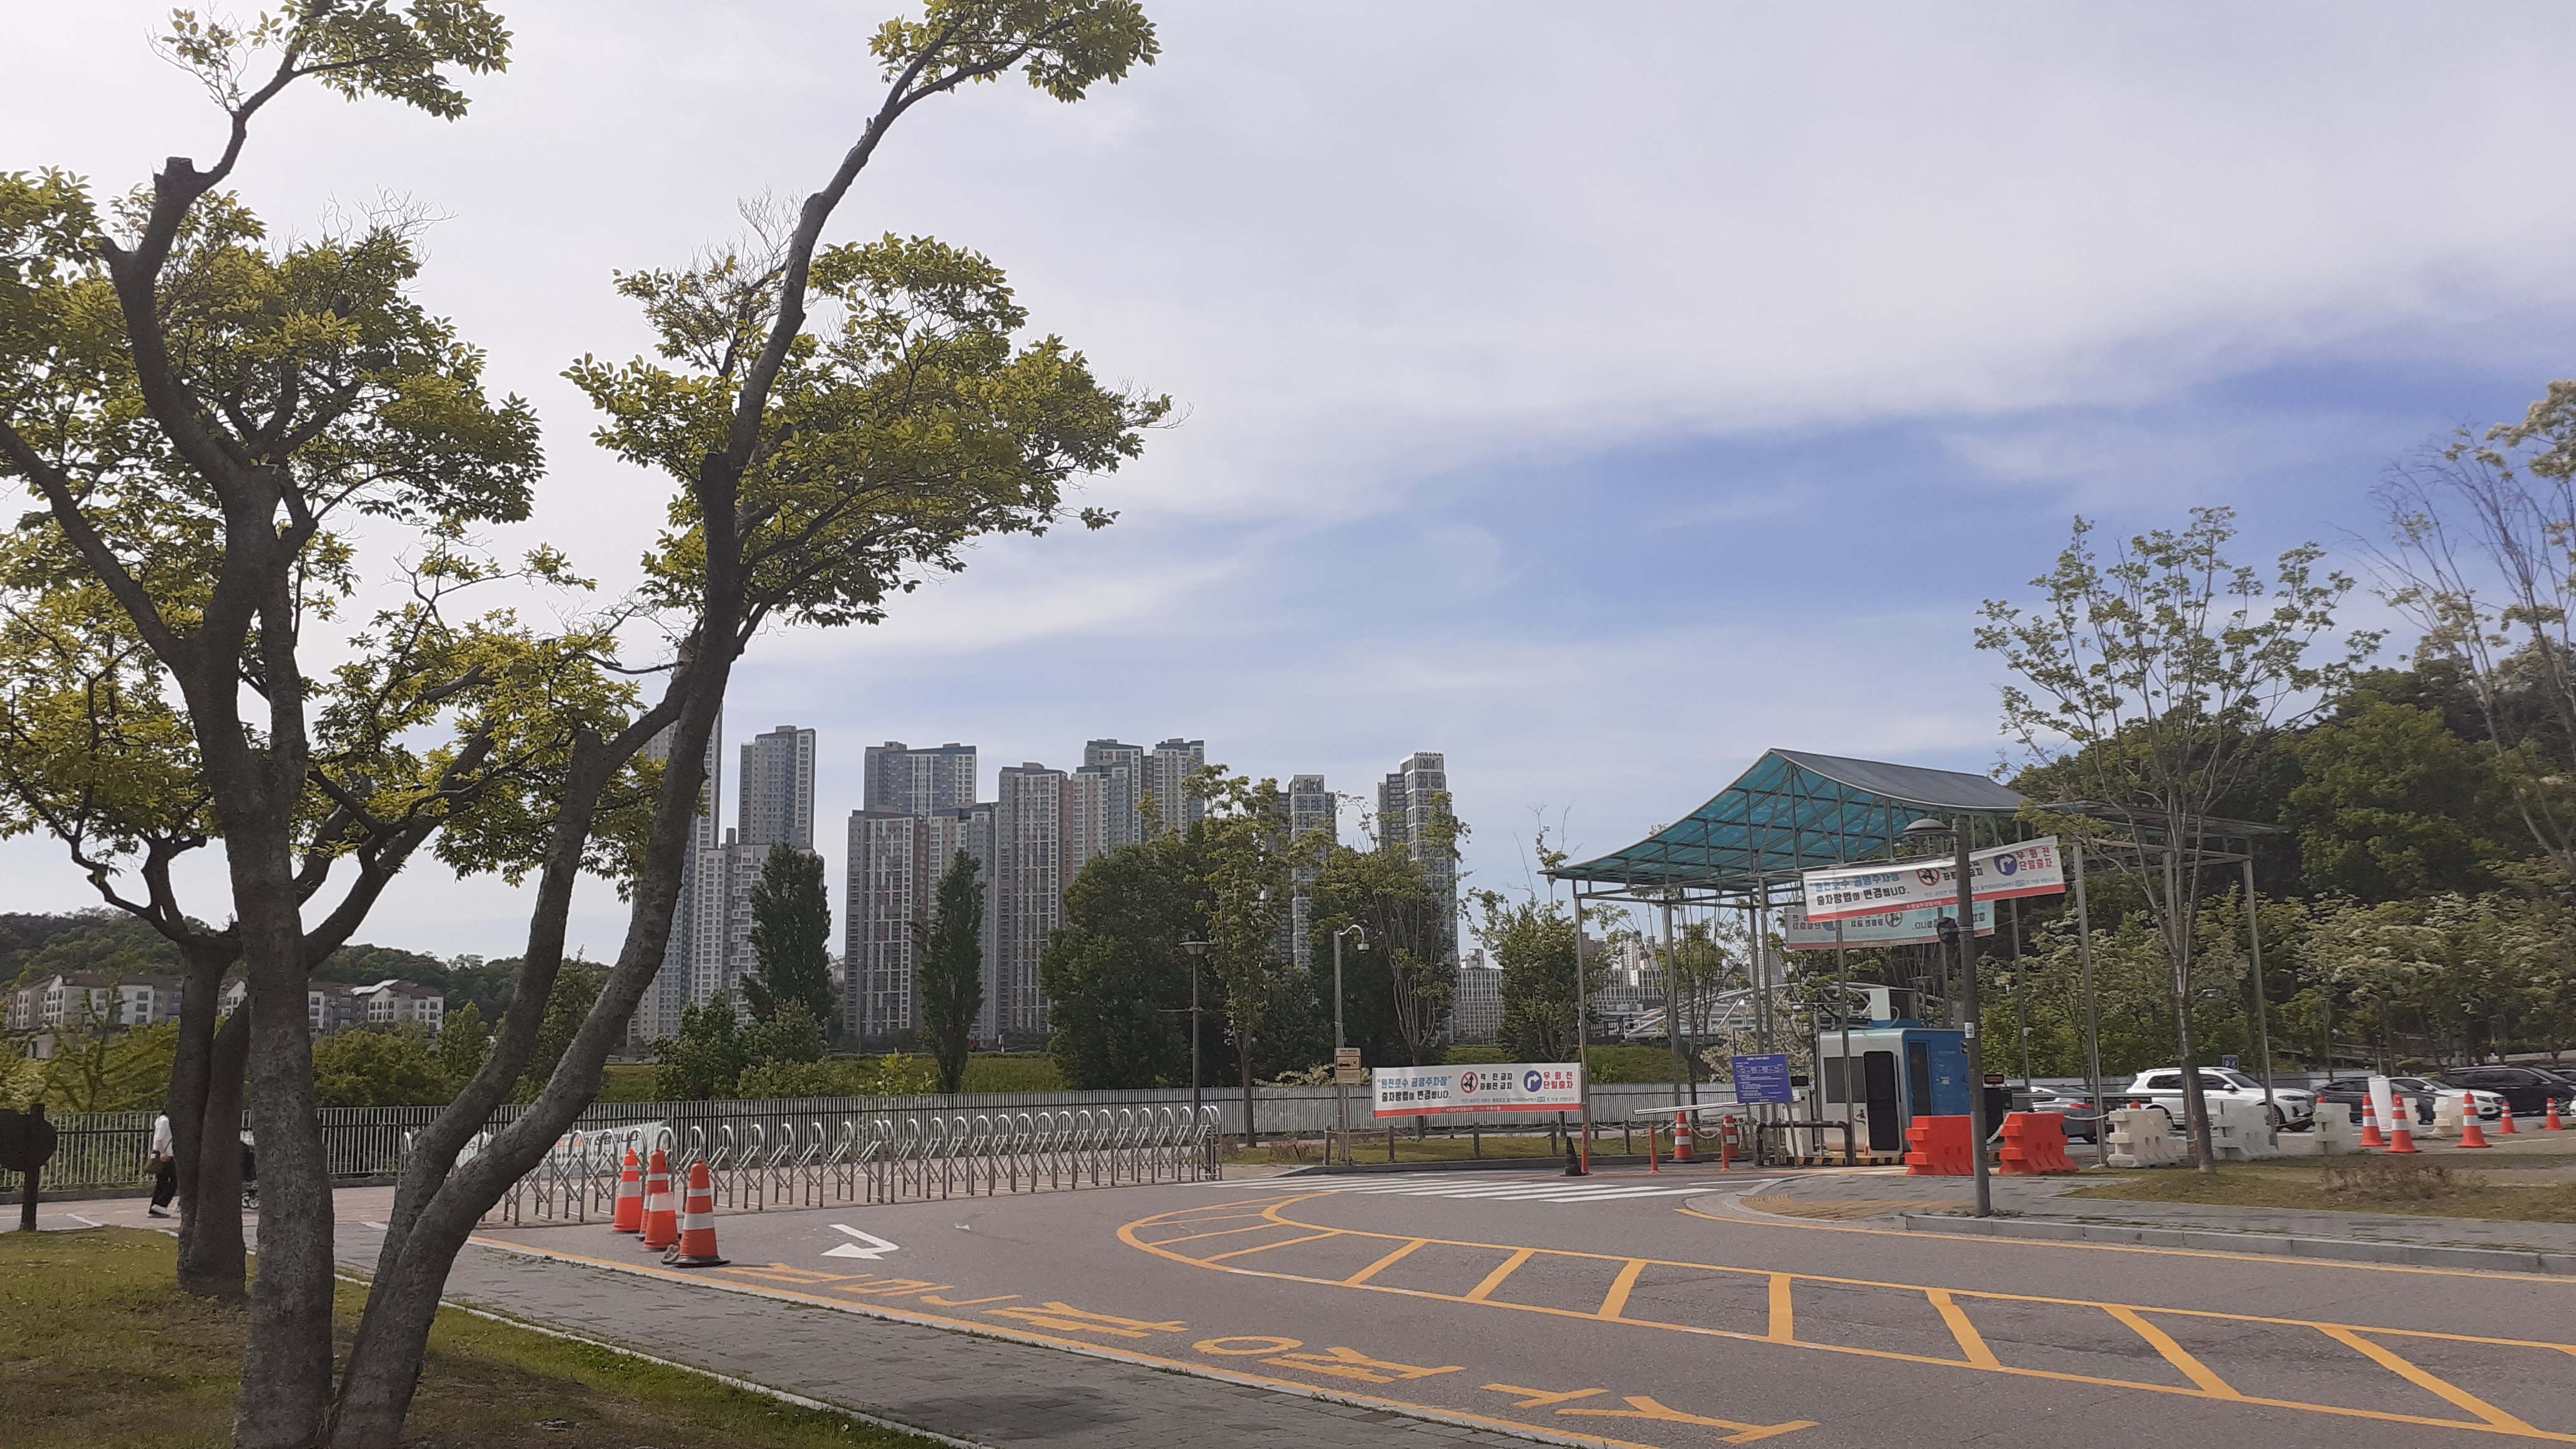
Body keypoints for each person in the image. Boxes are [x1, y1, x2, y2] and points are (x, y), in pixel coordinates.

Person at [147, 1112, 177, 1219]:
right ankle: (161, 1204)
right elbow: (159, 1139)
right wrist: (163, 1153)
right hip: (165, 1155)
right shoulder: (165, 1121)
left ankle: (154, 1208)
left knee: (162, 1181)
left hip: (163, 1154)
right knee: (175, 1180)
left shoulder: (160, 1120)